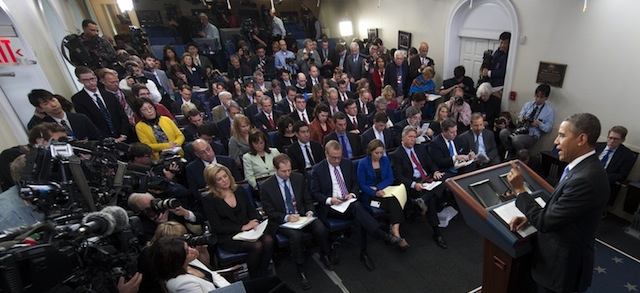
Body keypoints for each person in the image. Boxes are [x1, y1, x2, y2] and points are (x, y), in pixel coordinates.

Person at [507, 113, 608, 293]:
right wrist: (530, 218)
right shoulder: (582, 168)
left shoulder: (585, 178)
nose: (555, 141)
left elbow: (546, 223)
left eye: (562, 135)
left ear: (581, 139)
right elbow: (562, 209)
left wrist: (519, 190)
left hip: (560, 269)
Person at [309, 140, 404, 271]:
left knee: (358, 212)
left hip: (348, 203)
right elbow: (315, 193)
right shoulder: (317, 169)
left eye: (339, 157)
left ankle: (364, 251)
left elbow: (355, 184)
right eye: (333, 157)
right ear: (326, 154)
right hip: (331, 207)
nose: (337, 161)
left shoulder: (347, 163)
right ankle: (382, 237)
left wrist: (352, 194)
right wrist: (330, 200)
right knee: (359, 210)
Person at [260, 154, 335, 290]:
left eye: (289, 170)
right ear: (275, 169)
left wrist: (310, 211)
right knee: (296, 236)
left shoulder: (299, 178)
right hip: (282, 220)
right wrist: (287, 217)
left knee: (320, 228)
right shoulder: (266, 186)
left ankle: (326, 255)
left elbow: (308, 200)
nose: (288, 173)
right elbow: (270, 213)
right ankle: (301, 270)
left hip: (302, 216)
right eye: (284, 171)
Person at [202, 164, 274, 278]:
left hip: (248, 230)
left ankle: (263, 273)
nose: (224, 181)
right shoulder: (209, 199)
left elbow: (251, 211)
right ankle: (254, 278)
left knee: (269, 240)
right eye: (219, 179)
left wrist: (255, 221)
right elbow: (217, 227)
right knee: (257, 246)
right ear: (214, 183)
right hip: (228, 235)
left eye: (225, 176)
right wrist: (242, 228)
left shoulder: (239, 190)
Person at [389, 126, 448, 249]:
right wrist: (413, 185)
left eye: (414, 137)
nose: (412, 140)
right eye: (410, 137)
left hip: (427, 179)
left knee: (446, 177)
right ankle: (437, 233)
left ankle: (424, 199)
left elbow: (430, 163)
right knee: (432, 200)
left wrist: (436, 171)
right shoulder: (396, 154)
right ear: (403, 137)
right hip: (413, 183)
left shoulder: (420, 148)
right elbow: (399, 177)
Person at [357, 139, 408, 251]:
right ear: (370, 151)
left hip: (385, 191)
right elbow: (362, 185)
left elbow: (390, 178)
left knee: (395, 200)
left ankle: (395, 230)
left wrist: (378, 188)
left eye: (381, 152)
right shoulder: (363, 163)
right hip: (370, 196)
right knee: (393, 202)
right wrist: (374, 192)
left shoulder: (385, 160)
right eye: (377, 153)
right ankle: (397, 233)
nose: (379, 155)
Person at [72, 66, 130, 141]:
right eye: (86, 80)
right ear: (80, 81)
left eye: (92, 79)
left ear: (96, 78)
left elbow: (122, 115)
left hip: (123, 136)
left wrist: (123, 135)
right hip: (102, 139)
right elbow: (89, 123)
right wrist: (108, 139)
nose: (91, 82)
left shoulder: (108, 94)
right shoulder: (78, 99)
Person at [499, 84, 554, 155]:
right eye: (537, 96)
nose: (538, 99)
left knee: (516, 140)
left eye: (541, 97)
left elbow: (548, 128)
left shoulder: (549, 111)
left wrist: (539, 124)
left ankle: (524, 157)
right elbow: (519, 117)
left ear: (546, 98)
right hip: (520, 129)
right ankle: (510, 152)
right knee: (503, 133)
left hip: (531, 135)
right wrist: (520, 119)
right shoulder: (528, 105)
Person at [33, 90, 102, 141]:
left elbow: (98, 137)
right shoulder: (44, 128)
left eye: (53, 100)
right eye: (46, 103)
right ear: (40, 109)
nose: (53, 105)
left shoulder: (80, 118)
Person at [595, 126, 636, 205]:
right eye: (610, 138)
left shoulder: (627, 155)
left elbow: (621, 176)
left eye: (616, 139)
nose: (612, 141)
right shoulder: (597, 146)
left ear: (622, 140)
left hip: (605, 183)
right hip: (586, 177)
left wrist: (600, 176)